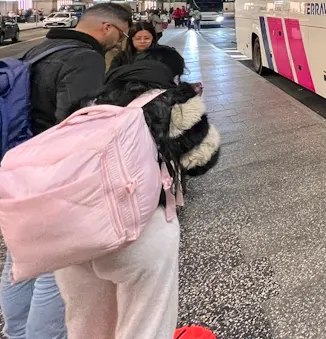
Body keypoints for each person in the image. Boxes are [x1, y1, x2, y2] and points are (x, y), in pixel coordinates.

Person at [54, 46, 220, 339]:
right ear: (175, 74)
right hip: (140, 230)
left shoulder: (89, 101)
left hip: (73, 232)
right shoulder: (176, 99)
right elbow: (200, 161)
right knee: (146, 326)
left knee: (87, 327)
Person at [0, 2, 132, 339]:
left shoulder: (42, 49)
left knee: (19, 265)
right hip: (55, 178)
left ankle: (16, 333)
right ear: (107, 28)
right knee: (57, 272)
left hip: (19, 170)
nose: (118, 45)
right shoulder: (85, 58)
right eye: (120, 36)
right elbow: (79, 129)